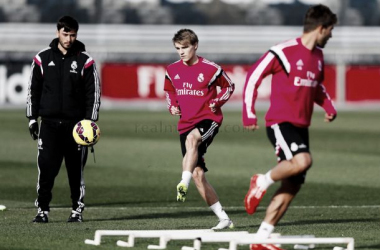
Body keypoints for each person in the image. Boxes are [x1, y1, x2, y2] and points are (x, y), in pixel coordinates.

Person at [242, 4, 337, 250]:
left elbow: (316, 86)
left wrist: (328, 106)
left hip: (301, 125)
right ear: (321, 28)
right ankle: (261, 180)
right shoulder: (282, 52)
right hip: (279, 123)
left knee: (293, 184)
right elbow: (253, 76)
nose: (331, 35)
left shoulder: (318, 56)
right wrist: (249, 113)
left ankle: (262, 237)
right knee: (303, 160)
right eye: (330, 30)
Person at [26, 16, 101, 223]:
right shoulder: (42, 58)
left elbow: (93, 93)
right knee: (46, 169)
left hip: (76, 127)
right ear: (57, 32)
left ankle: (77, 211)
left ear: (77, 34)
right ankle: (42, 210)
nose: (68, 39)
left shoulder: (85, 60)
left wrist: (90, 122)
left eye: (73, 34)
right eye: (65, 34)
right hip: (48, 125)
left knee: (75, 172)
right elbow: (33, 90)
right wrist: (32, 118)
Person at [164, 29, 235, 230]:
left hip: (208, 119)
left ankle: (182, 182)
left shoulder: (211, 69)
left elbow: (229, 86)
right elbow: (169, 91)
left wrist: (217, 101)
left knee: (192, 141)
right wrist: (172, 106)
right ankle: (224, 219)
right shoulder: (172, 70)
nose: (181, 52)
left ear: (195, 46)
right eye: (177, 48)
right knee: (198, 174)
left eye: (184, 47)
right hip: (185, 123)